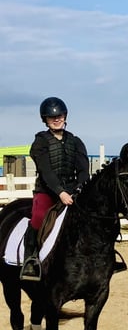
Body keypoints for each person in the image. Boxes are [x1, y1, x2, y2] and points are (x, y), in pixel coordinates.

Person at [19, 97, 89, 281]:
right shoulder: (40, 142)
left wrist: (79, 188)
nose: (56, 119)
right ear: (45, 120)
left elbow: (83, 170)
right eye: (52, 117)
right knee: (39, 216)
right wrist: (60, 192)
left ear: (65, 116)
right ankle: (31, 259)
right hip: (48, 191)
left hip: (73, 191)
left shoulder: (76, 142)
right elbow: (46, 171)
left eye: (59, 115)